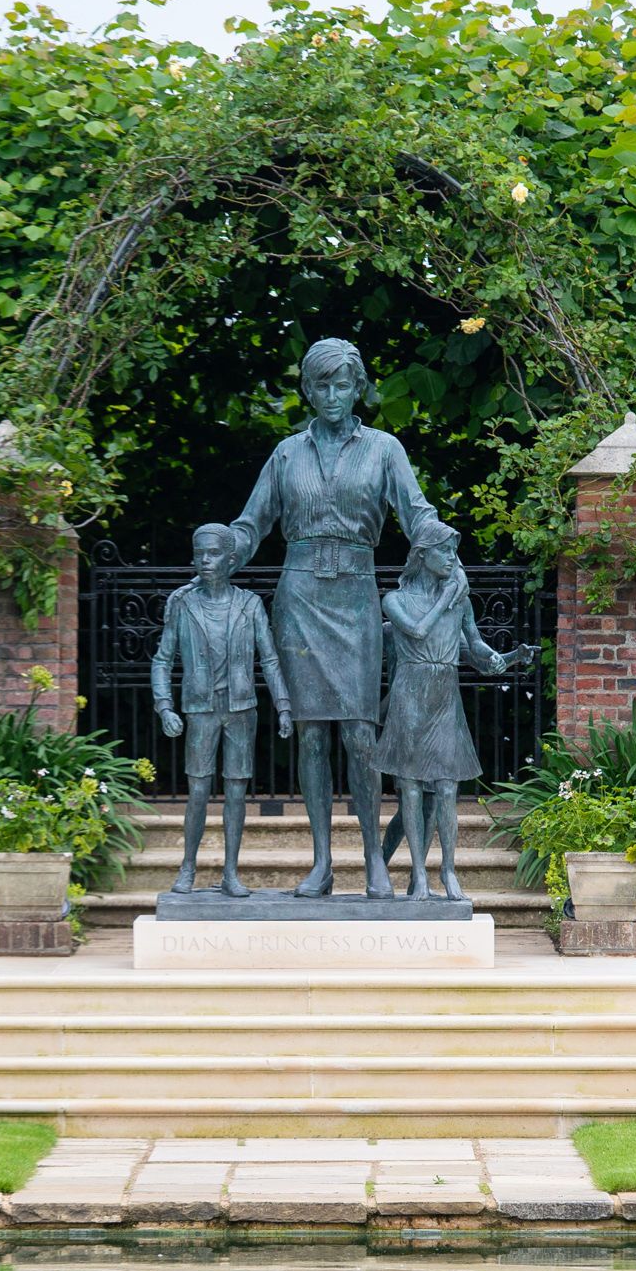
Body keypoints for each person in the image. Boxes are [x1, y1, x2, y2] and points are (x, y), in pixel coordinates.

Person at [227, 337, 443, 899]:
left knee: (359, 733)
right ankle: (322, 863)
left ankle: (373, 857)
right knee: (311, 736)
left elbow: (416, 512)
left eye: (342, 384)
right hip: (298, 597)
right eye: (320, 384)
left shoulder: (384, 449)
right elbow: (252, 523)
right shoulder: (286, 453)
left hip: (355, 595)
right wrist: (225, 547)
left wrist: (441, 549)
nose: (331, 395)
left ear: (358, 387)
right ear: (307, 389)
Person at [376, 521, 526, 901]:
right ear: (422, 555)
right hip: (409, 695)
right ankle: (418, 875)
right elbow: (417, 631)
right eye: (444, 550)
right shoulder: (395, 601)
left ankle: (448, 870)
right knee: (409, 789)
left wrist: (508, 658)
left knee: (447, 789)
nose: (452, 559)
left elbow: (476, 650)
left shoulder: (459, 602)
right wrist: (447, 598)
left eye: (454, 551)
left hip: (444, 695)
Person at [151, 523, 292, 897]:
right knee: (197, 791)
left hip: (241, 709)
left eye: (213, 554)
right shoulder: (183, 604)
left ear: (231, 560)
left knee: (235, 792)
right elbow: (162, 660)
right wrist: (165, 706)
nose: (204, 561)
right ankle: (188, 867)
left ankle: (231, 872)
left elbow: (271, 659)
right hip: (200, 709)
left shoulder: (250, 604)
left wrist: (283, 706)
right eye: (199, 554)